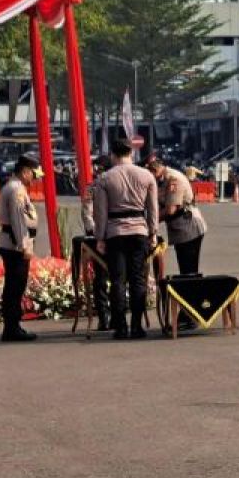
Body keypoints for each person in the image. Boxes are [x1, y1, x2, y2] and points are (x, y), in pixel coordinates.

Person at [93, 138, 160, 340]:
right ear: (131, 154)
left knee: (118, 281)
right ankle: (137, 326)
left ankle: (120, 327)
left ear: (113, 155)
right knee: (138, 280)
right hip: (139, 230)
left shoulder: (105, 178)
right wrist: (153, 233)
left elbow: (100, 213)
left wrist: (100, 238)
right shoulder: (147, 175)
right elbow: (153, 209)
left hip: (115, 233)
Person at [0, 154, 42, 342]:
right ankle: (12, 328)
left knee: (15, 286)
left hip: (12, 242)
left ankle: (13, 326)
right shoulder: (16, 190)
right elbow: (17, 221)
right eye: (33, 174)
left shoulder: (17, 187)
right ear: (25, 172)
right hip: (15, 244)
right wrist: (24, 245)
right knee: (15, 286)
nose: (35, 178)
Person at [146, 155, 208, 276]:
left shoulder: (173, 179)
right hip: (180, 228)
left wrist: (150, 221)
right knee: (184, 268)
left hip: (188, 227)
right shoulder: (162, 179)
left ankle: (192, 293)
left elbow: (171, 210)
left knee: (189, 269)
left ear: (154, 170)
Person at [80, 154, 113, 331]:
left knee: (118, 277)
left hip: (115, 235)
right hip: (99, 237)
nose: (97, 172)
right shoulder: (91, 188)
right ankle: (104, 316)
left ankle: (117, 315)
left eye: (100, 169)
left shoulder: (116, 185)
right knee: (100, 277)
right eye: (96, 169)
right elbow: (87, 213)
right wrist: (95, 232)